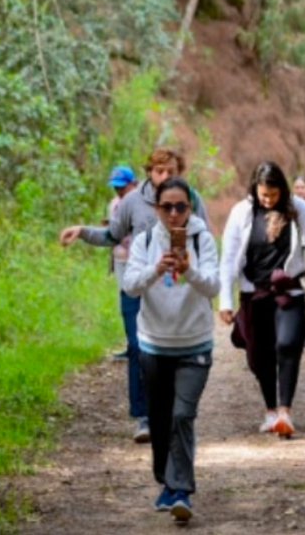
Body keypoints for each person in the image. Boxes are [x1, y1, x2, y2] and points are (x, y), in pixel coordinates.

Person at [60, 148, 209, 444]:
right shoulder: (132, 201)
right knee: (136, 348)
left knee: (169, 351)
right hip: (137, 284)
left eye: (171, 171)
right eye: (159, 171)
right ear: (149, 172)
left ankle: (171, 410)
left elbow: (203, 241)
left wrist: (199, 279)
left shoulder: (191, 199)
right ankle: (143, 416)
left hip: (174, 290)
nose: (165, 176)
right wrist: (82, 231)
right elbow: (112, 235)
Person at [121, 177, 219, 522]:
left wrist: (188, 269)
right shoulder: (145, 241)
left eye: (181, 206)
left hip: (195, 343)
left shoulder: (202, 239)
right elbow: (130, 286)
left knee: (182, 415)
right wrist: (156, 269)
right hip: (154, 343)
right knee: (161, 419)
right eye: (167, 207)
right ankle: (166, 481)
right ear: (156, 208)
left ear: (190, 207)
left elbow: (213, 286)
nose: (174, 213)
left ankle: (181, 491)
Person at [218, 162, 305, 437]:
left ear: (282, 189)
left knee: (287, 344)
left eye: (273, 195)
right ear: (255, 189)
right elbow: (228, 260)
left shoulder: (299, 209)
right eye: (264, 195)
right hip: (254, 293)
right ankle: (270, 410)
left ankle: (285, 412)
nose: (269, 200)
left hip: (290, 291)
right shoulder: (241, 212)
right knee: (260, 355)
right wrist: (225, 300)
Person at [106, 165, 138, 361]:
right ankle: (131, 344)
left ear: (132, 183)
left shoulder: (140, 203)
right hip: (120, 258)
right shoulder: (114, 204)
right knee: (124, 302)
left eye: (122, 187)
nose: (118, 190)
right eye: (116, 187)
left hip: (136, 259)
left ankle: (139, 344)